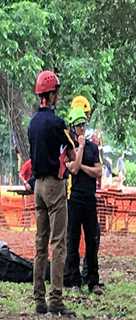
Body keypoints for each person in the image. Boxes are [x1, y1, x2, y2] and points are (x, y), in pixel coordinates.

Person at [28, 70, 79, 316]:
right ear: (51, 93)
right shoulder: (56, 123)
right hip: (54, 186)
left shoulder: (32, 123)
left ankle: (39, 299)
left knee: (40, 244)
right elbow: (71, 151)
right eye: (56, 91)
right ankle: (56, 299)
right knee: (59, 244)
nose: (58, 95)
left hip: (37, 186)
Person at [63, 107, 103, 295]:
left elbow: (99, 171)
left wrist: (85, 165)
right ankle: (74, 280)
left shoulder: (93, 147)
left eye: (83, 125)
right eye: (78, 125)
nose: (82, 128)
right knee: (73, 240)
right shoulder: (68, 148)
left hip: (89, 199)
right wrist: (79, 148)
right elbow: (74, 168)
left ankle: (93, 280)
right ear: (72, 127)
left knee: (92, 240)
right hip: (75, 199)